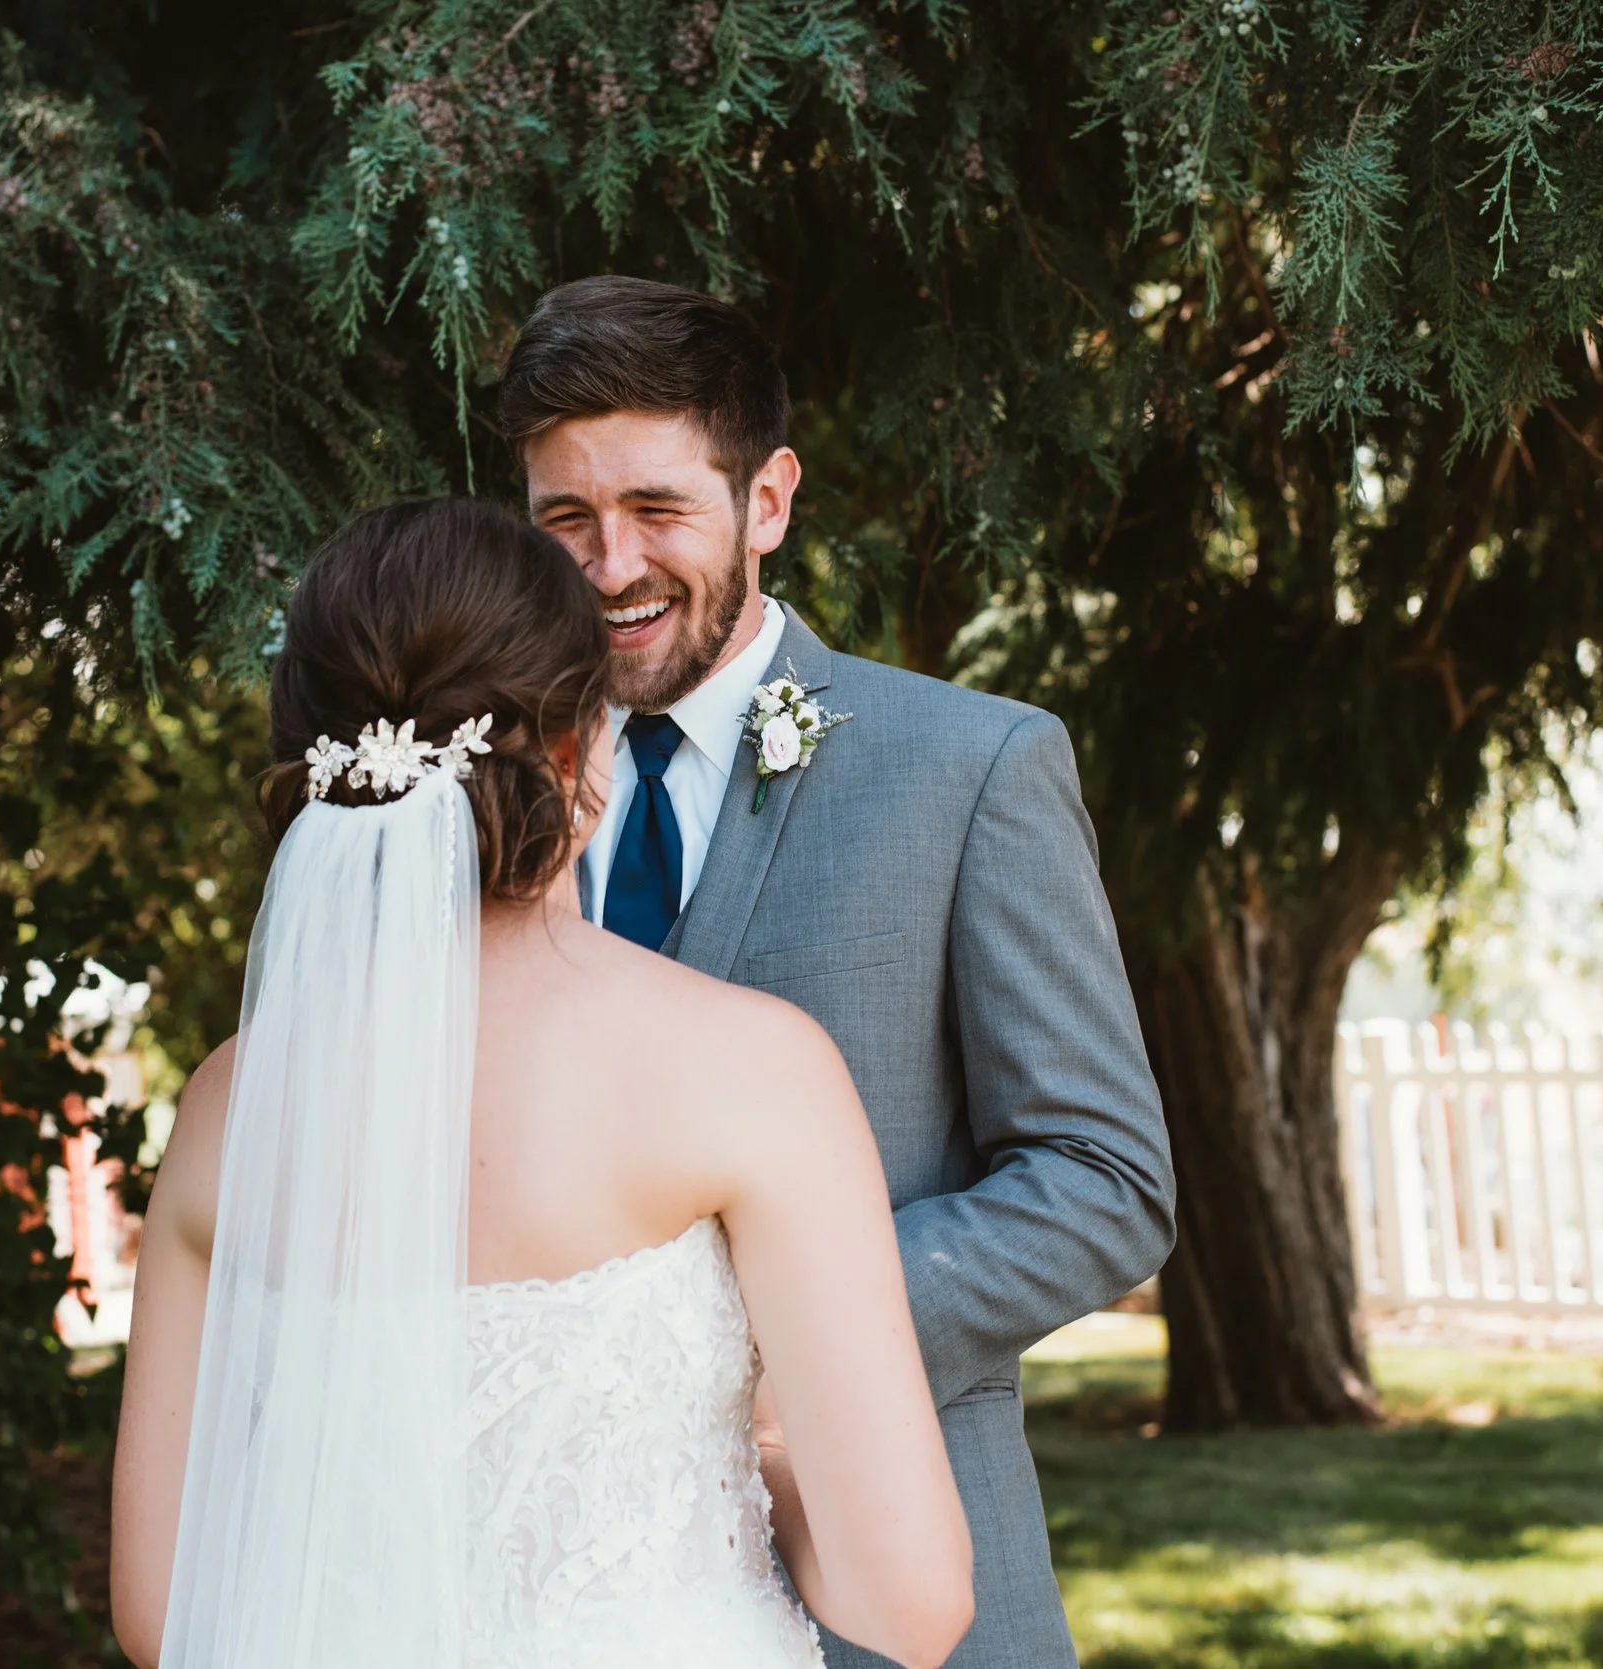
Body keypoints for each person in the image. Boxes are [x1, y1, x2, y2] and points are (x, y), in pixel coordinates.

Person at [111, 498, 974, 1669]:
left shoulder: (231, 1105)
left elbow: (161, 1617)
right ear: (579, 750)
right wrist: (757, 1442)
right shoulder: (746, 1066)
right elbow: (909, 1608)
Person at [503, 274, 1176, 1667]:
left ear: (768, 499)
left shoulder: (970, 768)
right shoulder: (487, 799)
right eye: (565, 518)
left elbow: (1105, 1183)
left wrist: (777, 1335)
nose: (608, 565)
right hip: (568, 1584)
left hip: (905, 1586)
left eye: (657, 511)